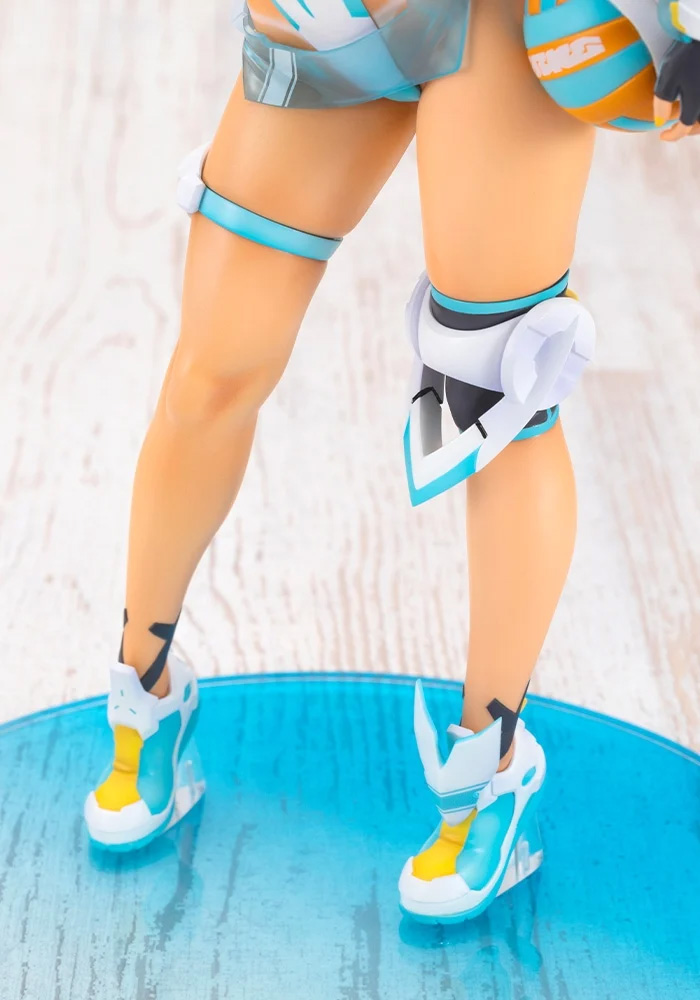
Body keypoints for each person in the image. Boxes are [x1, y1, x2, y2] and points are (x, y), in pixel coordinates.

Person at [84, 0, 700, 922]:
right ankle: (146, 696)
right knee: (212, 371)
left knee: (499, 393)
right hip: (326, 18)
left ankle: (489, 777)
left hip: (501, 27)